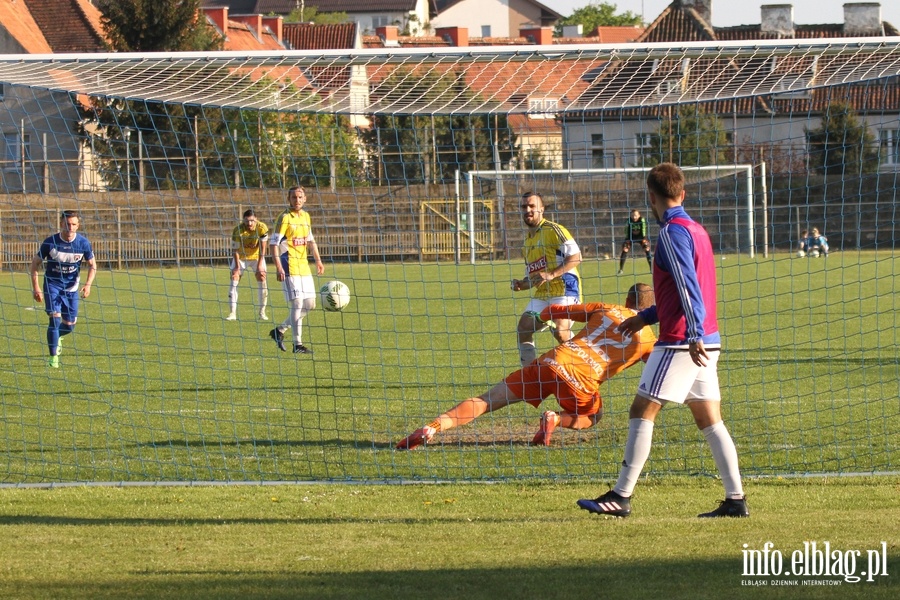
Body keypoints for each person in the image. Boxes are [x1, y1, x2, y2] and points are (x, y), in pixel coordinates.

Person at [577, 163, 748, 519]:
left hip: (683, 342)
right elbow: (681, 291)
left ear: (651, 198)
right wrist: (646, 316)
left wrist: (693, 333)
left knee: (642, 409)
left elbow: (688, 286)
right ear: (683, 193)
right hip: (708, 339)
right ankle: (735, 500)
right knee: (709, 419)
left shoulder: (670, 233)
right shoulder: (697, 230)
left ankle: (621, 496)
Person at [396, 283, 657, 450]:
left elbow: (552, 310)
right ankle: (555, 419)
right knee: (594, 416)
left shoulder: (605, 308)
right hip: (581, 382)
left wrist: (552, 322)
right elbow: (658, 363)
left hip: (551, 361)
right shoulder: (648, 340)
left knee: (486, 400)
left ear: (627, 299)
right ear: (651, 308)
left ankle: (432, 427)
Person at [510, 192, 583, 367]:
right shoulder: (527, 243)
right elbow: (534, 278)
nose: (528, 210)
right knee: (524, 328)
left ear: (541, 209)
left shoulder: (554, 230)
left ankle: (581, 365)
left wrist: (551, 274)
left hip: (565, 289)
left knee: (559, 330)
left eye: (532, 206)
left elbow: (577, 256)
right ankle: (530, 375)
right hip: (543, 295)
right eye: (524, 207)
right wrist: (522, 284)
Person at [29, 210, 97, 369]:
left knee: (70, 325)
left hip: (72, 288)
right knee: (55, 319)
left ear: (78, 225)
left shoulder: (83, 244)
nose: (70, 227)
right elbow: (35, 263)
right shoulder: (50, 242)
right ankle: (53, 358)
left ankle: (56, 336)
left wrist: (88, 285)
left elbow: (93, 265)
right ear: (61, 224)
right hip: (52, 285)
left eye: (73, 224)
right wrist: (36, 287)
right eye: (67, 224)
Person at [269, 186, 324, 354]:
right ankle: (297, 344)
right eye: (294, 197)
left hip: (304, 267)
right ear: (289, 199)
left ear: (305, 199)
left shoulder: (306, 216)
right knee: (298, 303)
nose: (297, 200)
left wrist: (318, 260)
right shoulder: (284, 218)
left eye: (300, 197)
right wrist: (278, 266)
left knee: (310, 305)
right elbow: (273, 244)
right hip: (288, 265)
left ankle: (279, 330)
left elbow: (310, 240)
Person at [226, 209, 269, 321]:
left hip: (256, 257)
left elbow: (263, 248)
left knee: (262, 278)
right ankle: (232, 313)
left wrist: (260, 264)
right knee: (234, 280)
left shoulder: (262, 228)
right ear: (243, 220)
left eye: (251, 221)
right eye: (246, 221)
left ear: (256, 219)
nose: (249, 224)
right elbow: (234, 249)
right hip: (240, 257)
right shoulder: (238, 230)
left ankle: (262, 313)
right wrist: (236, 266)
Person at [618, 209, 653, 274]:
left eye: (635, 215)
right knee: (625, 249)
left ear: (639, 215)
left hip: (640, 237)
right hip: (631, 237)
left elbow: (643, 228)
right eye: (632, 215)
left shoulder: (642, 220)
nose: (634, 217)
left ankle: (651, 269)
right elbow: (626, 229)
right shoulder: (628, 220)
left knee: (647, 248)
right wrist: (627, 238)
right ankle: (621, 269)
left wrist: (644, 238)